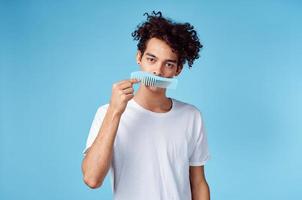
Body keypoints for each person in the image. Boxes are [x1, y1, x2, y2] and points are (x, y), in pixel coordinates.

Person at [81, 11, 211, 200]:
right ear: (139, 58)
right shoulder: (107, 113)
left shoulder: (191, 116)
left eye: (168, 64)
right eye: (151, 59)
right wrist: (115, 112)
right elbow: (92, 179)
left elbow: (198, 183)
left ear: (178, 69)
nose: (157, 71)